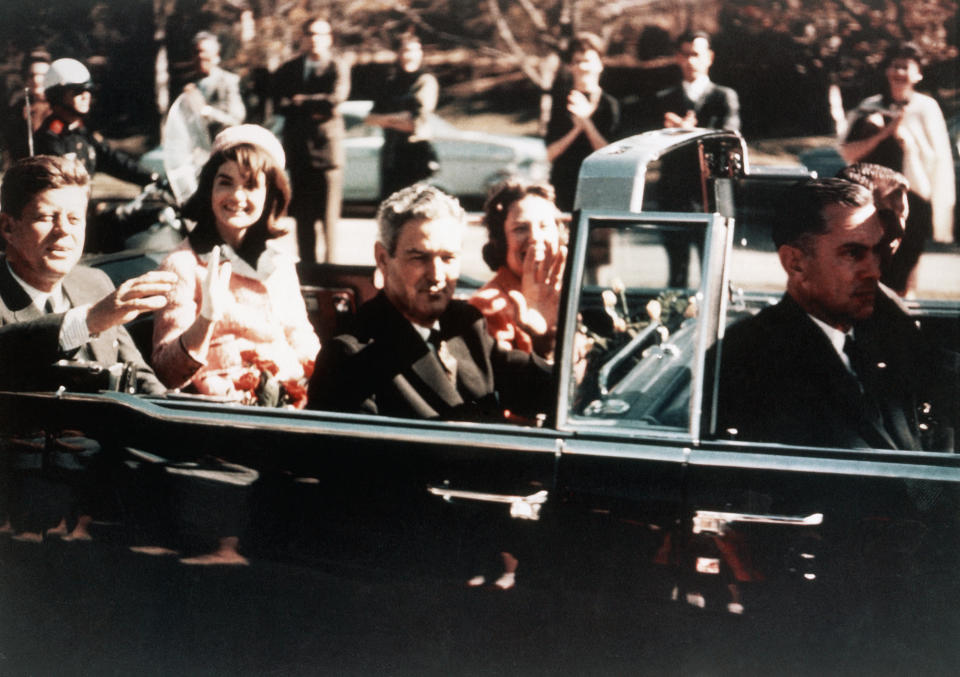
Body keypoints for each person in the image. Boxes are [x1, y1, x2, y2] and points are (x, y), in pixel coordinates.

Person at [0, 155, 175, 540]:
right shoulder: (99, 304)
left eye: (75, 218)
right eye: (47, 217)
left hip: (104, 499)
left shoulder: (94, 284)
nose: (64, 232)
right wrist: (90, 320)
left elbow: (146, 387)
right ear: (8, 226)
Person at [714, 178, 955, 450]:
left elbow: (934, 438)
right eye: (853, 253)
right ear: (796, 264)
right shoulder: (751, 358)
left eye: (876, 250)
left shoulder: (884, 335)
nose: (874, 270)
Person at [306, 184, 554, 421]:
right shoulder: (350, 356)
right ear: (383, 258)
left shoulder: (465, 324)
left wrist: (547, 335)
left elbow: (544, 393)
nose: (436, 275)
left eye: (448, 258)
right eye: (419, 258)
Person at [151, 124, 320, 408]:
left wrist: (311, 374)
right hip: (221, 418)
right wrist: (206, 319)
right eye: (225, 182)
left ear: (269, 196)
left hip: (291, 404)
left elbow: (300, 335)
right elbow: (167, 372)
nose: (237, 197)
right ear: (209, 189)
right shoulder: (182, 264)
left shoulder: (279, 262)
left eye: (251, 185)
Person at [840, 42, 955, 295]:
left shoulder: (926, 108)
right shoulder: (869, 107)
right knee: (871, 271)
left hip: (912, 200)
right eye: (895, 66)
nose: (899, 72)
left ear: (918, 74)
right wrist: (882, 134)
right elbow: (847, 152)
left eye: (906, 67)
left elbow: (937, 158)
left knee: (904, 273)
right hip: (872, 202)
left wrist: (906, 140)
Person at [272, 16, 350, 263]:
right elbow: (280, 104)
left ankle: (331, 272)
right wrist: (316, 105)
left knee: (329, 222)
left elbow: (335, 99)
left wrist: (301, 101)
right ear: (303, 38)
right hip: (299, 153)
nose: (315, 39)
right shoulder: (289, 69)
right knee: (303, 221)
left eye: (321, 34)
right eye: (311, 34)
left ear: (330, 39)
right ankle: (308, 273)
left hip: (328, 155)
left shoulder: (338, 66)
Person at [469, 179, 566, 361]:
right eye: (521, 228)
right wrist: (542, 342)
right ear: (501, 240)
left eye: (544, 226)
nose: (535, 238)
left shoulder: (562, 292)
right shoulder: (488, 306)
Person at [34, 58, 158, 187]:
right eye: (78, 91)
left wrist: (152, 178)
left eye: (88, 90)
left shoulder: (81, 132)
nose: (86, 95)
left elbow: (111, 160)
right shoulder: (49, 139)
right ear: (57, 96)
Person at [545, 32, 619, 212]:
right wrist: (576, 128)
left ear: (600, 65)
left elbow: (611, 156)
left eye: (589, 61)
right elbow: (550, 154)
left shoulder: (610, 105)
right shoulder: (560, 102)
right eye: (577, 62)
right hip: (563, 189)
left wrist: (586, 122)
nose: (583, 67)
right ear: (570, 66)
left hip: (598, 187)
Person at [365, 31, 439, 200]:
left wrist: (385, 120)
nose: (409, 56)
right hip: (391, 154)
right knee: (390, 206)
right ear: (398, 53)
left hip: (416, 154)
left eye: (414, 50)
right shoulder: (390, 82)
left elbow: (414, 124)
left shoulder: (425, 81)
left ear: (420, 53)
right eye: (405, 50)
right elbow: (370, 119)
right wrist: (398, 118)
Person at [652, 31, 740, 132]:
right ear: (678, 57)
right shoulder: (663, 99)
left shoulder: (724, 97)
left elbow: (730, 138)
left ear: (710, 57)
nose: (690, 61)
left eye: (696, 54)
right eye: (685, 55)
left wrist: (688, 131)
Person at [179, 31, 246, 138]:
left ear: (217, 56)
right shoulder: (189, 85)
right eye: (196, 52)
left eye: (204, 52)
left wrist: (207, 112)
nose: (200, 56)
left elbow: (236, 120)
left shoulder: (228, 81)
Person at [3, 49, 51, 164]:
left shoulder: (60, 108)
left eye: (43, 75)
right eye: (31, 75)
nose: (36, 80)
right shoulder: (18, 109)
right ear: (25, 78)